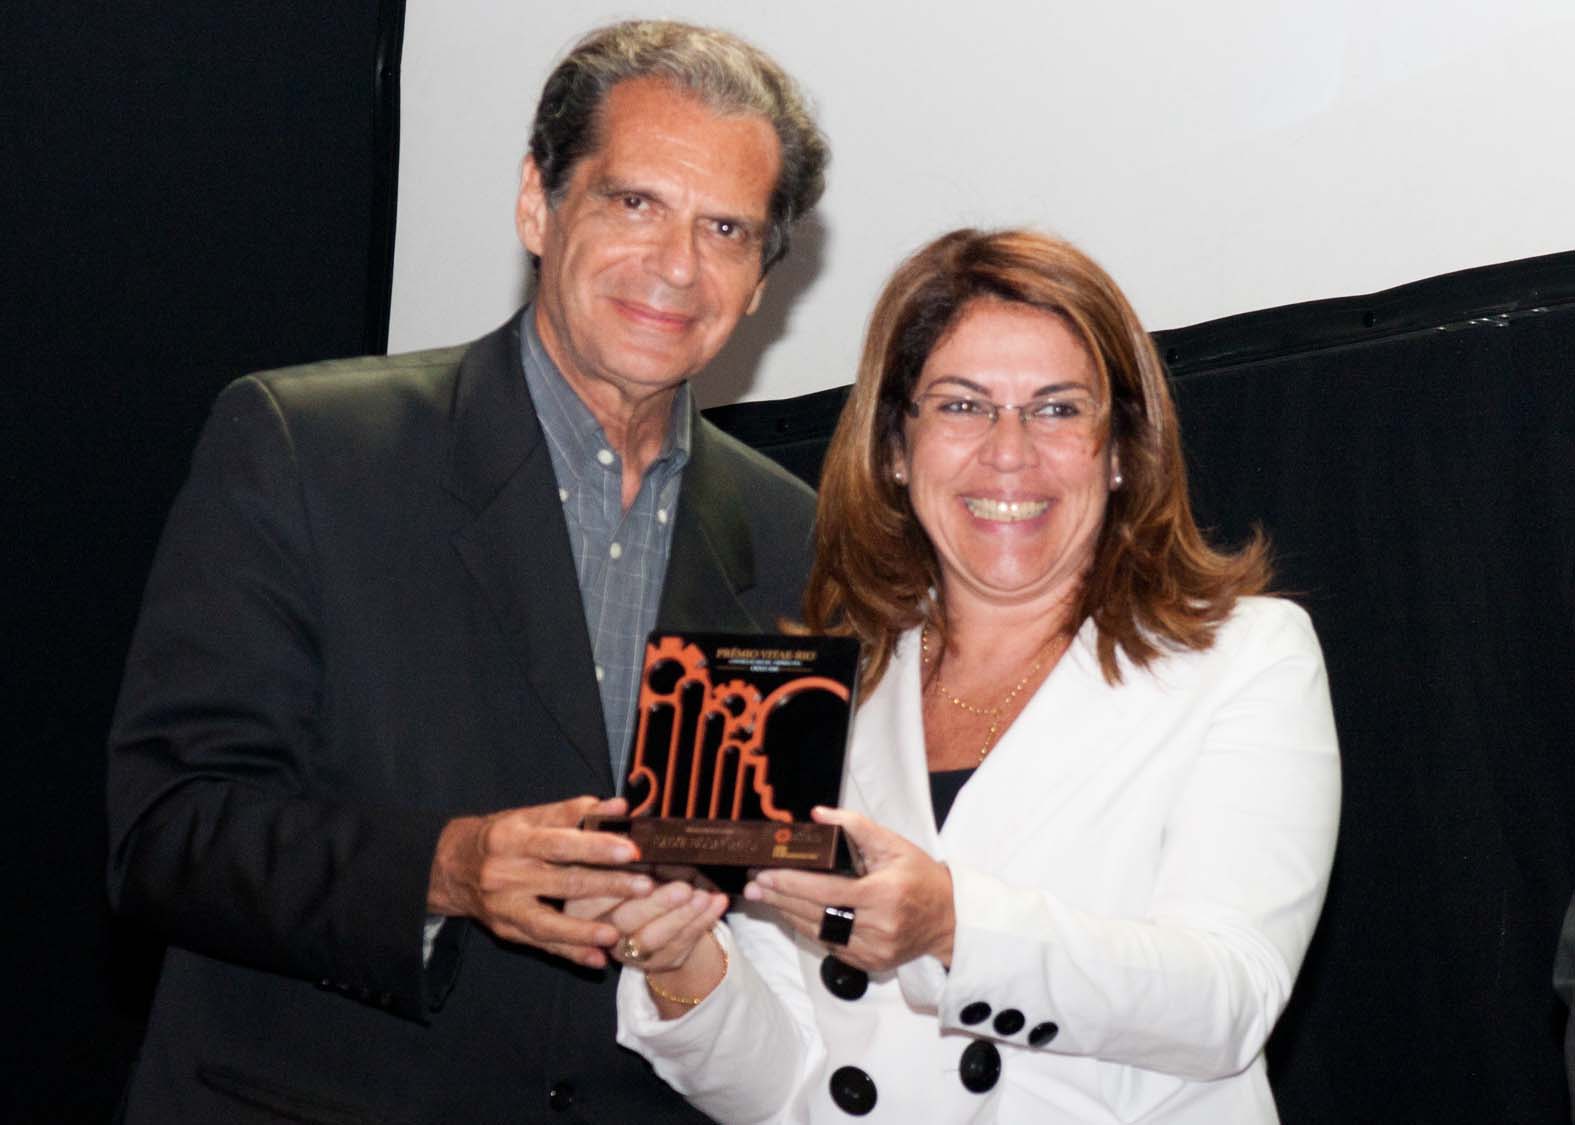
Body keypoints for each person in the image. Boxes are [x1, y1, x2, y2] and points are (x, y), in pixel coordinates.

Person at [106, 20, 828, 1122]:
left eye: (724, 228)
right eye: (635, 203)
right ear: (538, 204)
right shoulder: (308, 448)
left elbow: (752, 906)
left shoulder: (791, 535)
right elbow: (166, 831)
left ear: (762, 279)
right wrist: (443, 867)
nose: (678, 265)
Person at [605, 229, 1342, 1122]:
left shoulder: (1243, 657)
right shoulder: (819, 693)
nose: (1008, 451)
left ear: (1119, 450)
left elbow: (1227, 998)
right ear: (895, 447)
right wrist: (680, 959)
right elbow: (784, 1090)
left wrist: (952, 926)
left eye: (1057, 409)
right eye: (961, 405)